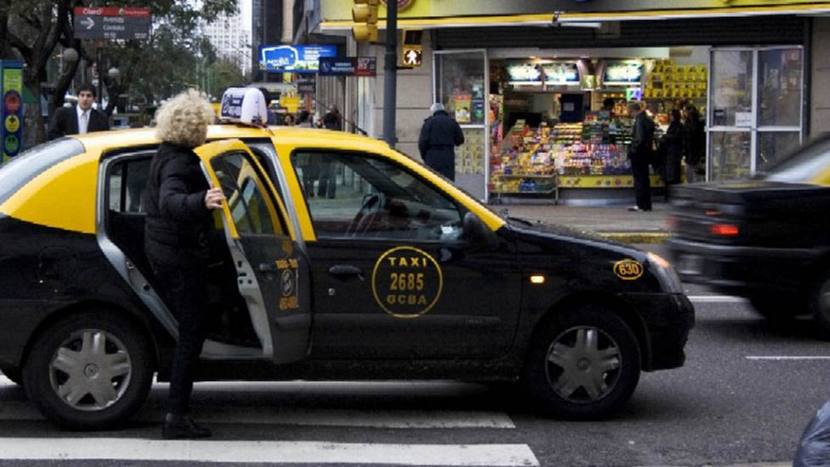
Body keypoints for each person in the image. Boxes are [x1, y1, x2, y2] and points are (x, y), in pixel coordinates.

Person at [142, 89, 225, 439]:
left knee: (192, 328)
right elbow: (171, 201)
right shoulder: (180, 162)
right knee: (191, 335)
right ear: (193, 127)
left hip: (165, 251)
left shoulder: (166, 153)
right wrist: (201, 200)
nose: (207, 129)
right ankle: (176, 415)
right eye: (204, 124)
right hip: (180, 257)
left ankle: (178, 410)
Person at [418, 103, 465, 181]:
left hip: (432, 156)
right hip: (447, 156)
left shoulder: (429, 123)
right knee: (447, 182)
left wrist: (424, 156)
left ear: (433, 112)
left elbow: (422, 142)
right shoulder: (451, 122)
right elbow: (460, 140)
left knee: (432, 182)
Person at [627, 101, 655, 212]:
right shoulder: (648, 120)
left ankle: (640, 204)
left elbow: (639, 138)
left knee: (639, 179)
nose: (630, 114)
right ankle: (646, 204)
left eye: (630, 111)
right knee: (645, 178)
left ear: (633, 110)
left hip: (638, 153)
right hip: (646, 152)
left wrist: (633, 149)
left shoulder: (639, 121)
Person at [317, 106, 342, 198]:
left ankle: (321, 193)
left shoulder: (323, 129)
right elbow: (338, 119)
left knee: (323, 174)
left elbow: (319, 124)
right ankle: (331, 194)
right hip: (334, 153)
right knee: (332, 175)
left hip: (324, 154)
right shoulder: (337, 129)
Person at [660, 109, 684, 200]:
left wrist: (665, 137)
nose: (670, 117)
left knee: (671, 175)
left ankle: (669, 195)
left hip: (672, 153)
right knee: (673, 174)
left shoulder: (676, 126)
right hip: (674, 154)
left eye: (671, 115)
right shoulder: (678, 126)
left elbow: (675, 138)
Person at [682, 102, 706, 183]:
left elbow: (687, 138)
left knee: (691, 175)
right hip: (698, 153)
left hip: (691, 153)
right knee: (698, 176)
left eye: (684, 111)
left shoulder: (688, 123)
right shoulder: (701, 121)